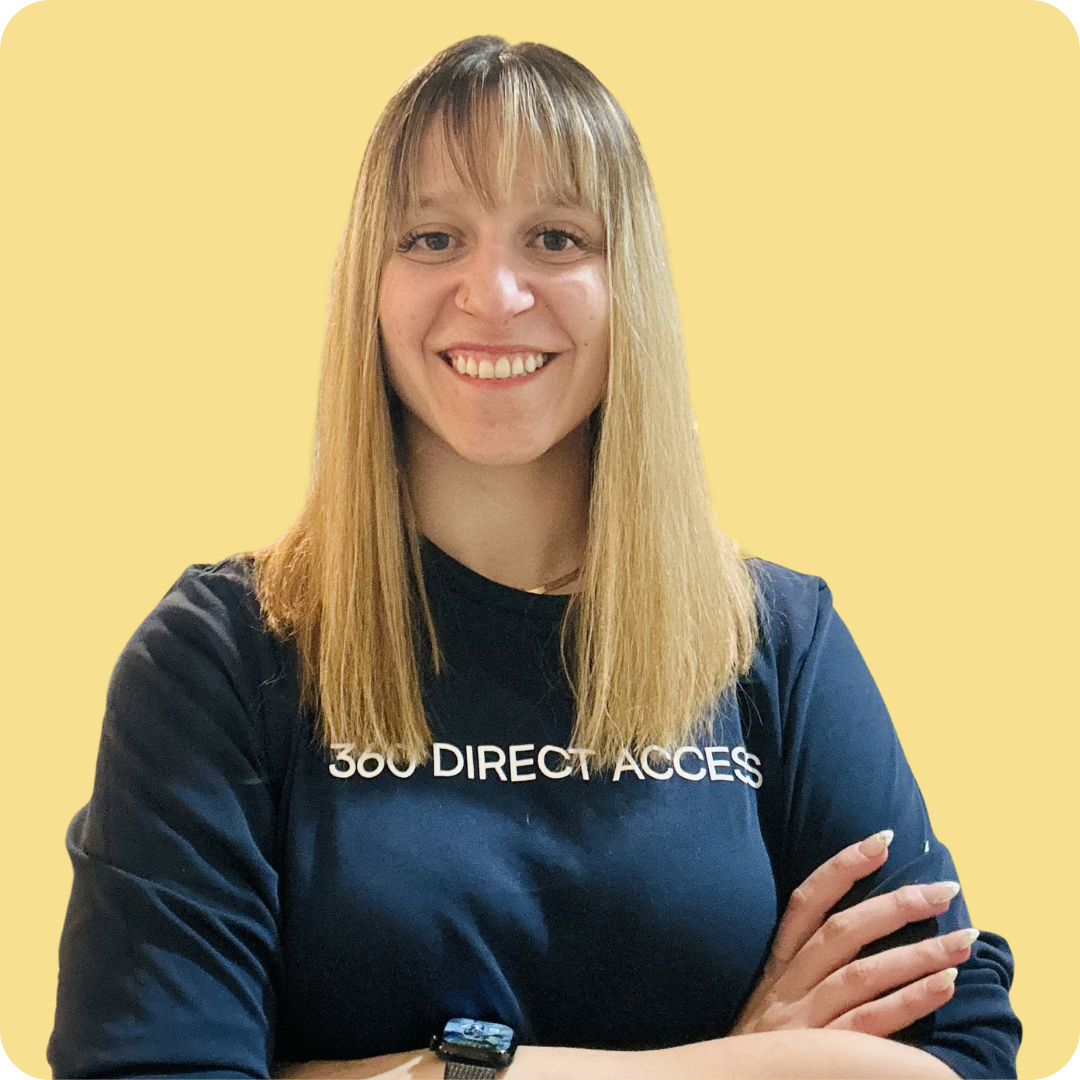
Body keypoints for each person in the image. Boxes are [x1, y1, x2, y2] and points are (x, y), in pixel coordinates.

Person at [48, 36, 1020, 1080]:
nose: (495, 291)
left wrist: (452, 1072)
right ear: (368, 285)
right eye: (431, 237)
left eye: (556, 237)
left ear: (628, 286)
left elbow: (961, 1054)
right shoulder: (226, 655)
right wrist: (736, 1067)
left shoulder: (772, 640)